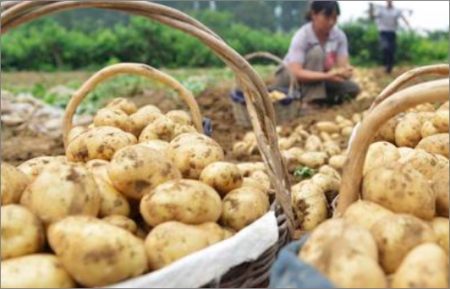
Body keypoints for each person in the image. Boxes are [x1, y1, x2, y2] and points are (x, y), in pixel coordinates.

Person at [276, 1, 360, 109]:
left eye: (334, 18)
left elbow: (342, 65)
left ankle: (307, 98)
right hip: (290, 78)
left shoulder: (339, 36)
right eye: (327, 17)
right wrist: (327, 76)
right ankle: (309, 102)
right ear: (314, 15)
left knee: (351, 88)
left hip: (319, 78)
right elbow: (296, 72)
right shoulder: (303, 36)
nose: (331, 22)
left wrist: (345, 72)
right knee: (316, 52)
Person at [370, 1, 412, 74]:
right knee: (385, 48)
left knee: (391, 50)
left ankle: (390, 67)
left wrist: (408, 24)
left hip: (392, 33)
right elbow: (372, 17)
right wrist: (371, 8)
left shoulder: (396, 11)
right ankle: (386, 65)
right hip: (383, 32)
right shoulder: (381, 10)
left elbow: (403, 18)